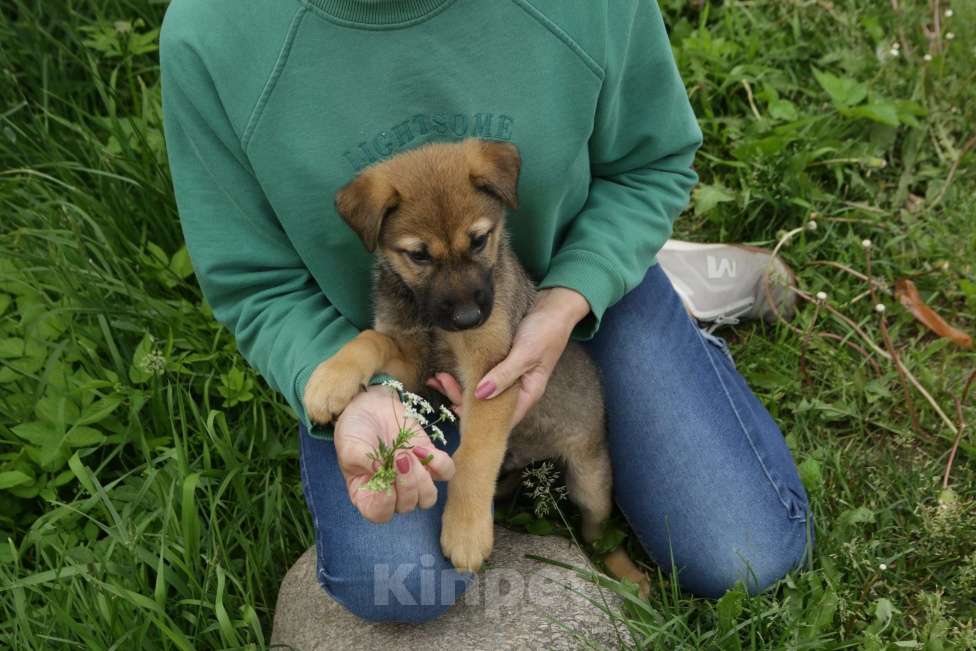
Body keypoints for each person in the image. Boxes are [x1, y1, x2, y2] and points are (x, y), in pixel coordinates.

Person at [160, 0, 812, 624]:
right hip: (393, 341)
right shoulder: (216, 32)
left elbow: (652, 162)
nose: (464, 301)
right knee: (398, 579)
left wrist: (577, 288)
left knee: (746, 553)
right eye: (418, 255)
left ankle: (625, 260)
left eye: (477, 241)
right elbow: (255, 281)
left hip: (572, 275)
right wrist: (333, 373)